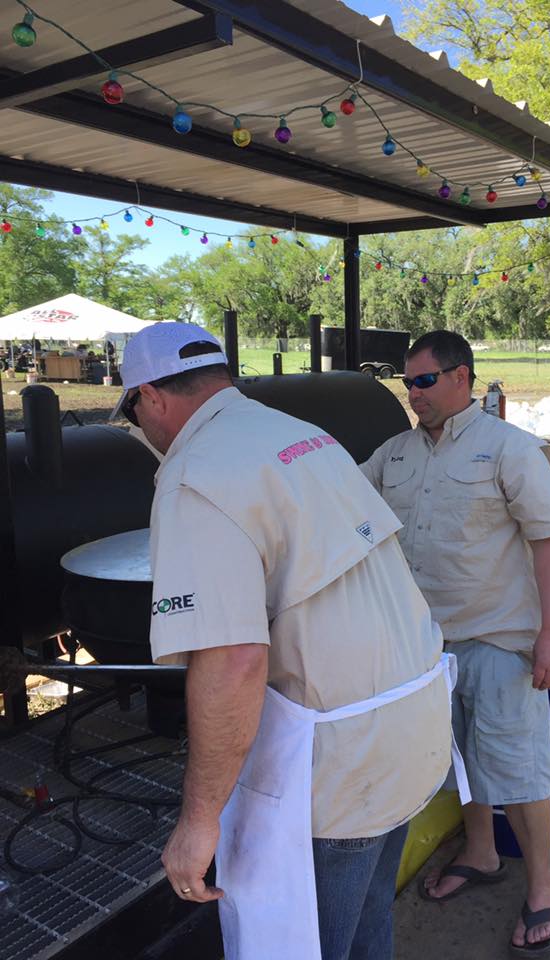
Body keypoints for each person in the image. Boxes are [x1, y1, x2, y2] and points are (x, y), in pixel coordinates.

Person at [113, 322, 462, 960]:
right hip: (413, 730)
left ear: (150, 397)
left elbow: (234, 660)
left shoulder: (195, 475)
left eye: (132, 412)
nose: (141, 429)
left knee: (310, 946)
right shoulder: (301, 435)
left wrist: (198, 822)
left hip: (341, 769)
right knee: (367, 935)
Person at [360, 330, 550, 958]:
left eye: (423, 380)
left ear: (461, 378)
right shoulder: (393, 454)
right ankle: (480, 854)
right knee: (458, 761)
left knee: (519, 769)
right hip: (425, 648)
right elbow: (339, 502)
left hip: (498, 641)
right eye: (407, 381)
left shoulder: (509, 449)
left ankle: (542, 887)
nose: (412, 392)